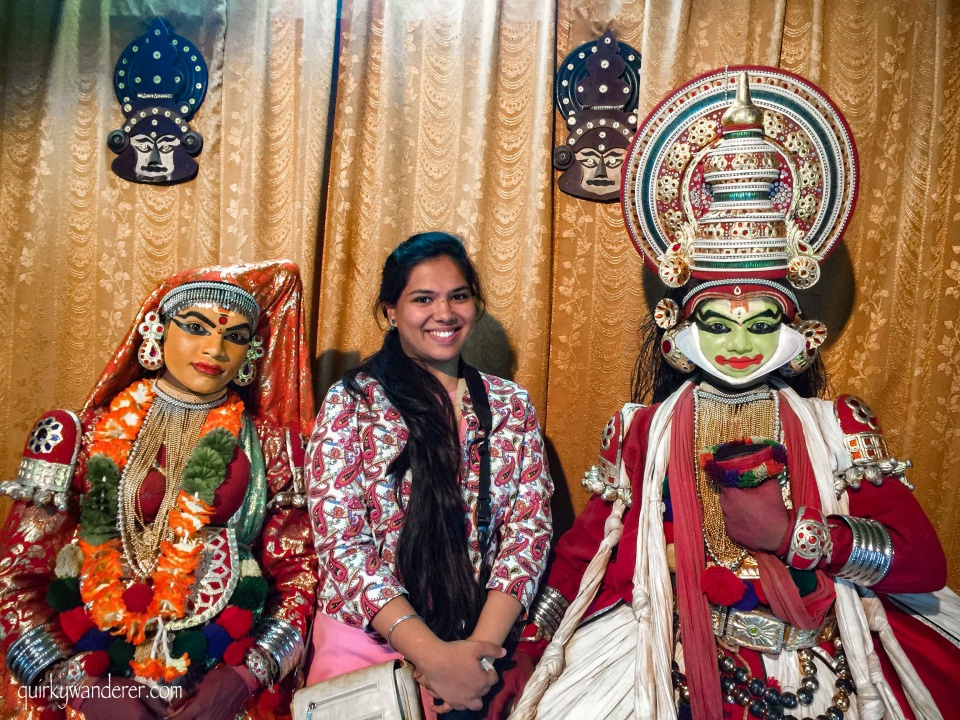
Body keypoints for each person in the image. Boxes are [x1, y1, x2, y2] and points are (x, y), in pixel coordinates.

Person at [504, 70, 960, 720]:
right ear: (677, 337)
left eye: (761, 323)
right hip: (671, 651)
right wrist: (530, 639)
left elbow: (923, 562)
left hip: (814, 652)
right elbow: (593, 553)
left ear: (797, 335)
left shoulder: (837, 426)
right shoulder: (644, 430)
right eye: (717, 324)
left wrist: (794, 535)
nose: (739, 343)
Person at [0, 261, 317, 719]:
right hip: (85, 687)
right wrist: (82, 689)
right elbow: (14, 578)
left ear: (252, 353)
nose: (216, 348)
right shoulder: (77, 436)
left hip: (224, 691)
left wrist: (244, 676)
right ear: (156, 331)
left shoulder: (277, 447)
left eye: (236, 336)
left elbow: (299, 578)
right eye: (195, 327)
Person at [305, 232, 553, 716]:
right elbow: (342, 545)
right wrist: (432, 656)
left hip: (480, 647)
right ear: (390, 311)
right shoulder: (350, 403)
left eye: (458, 296)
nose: (445, 313)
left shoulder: (509, 405)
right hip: (367, 647)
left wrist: (474, 658)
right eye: (423, 299)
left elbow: (529, 535)